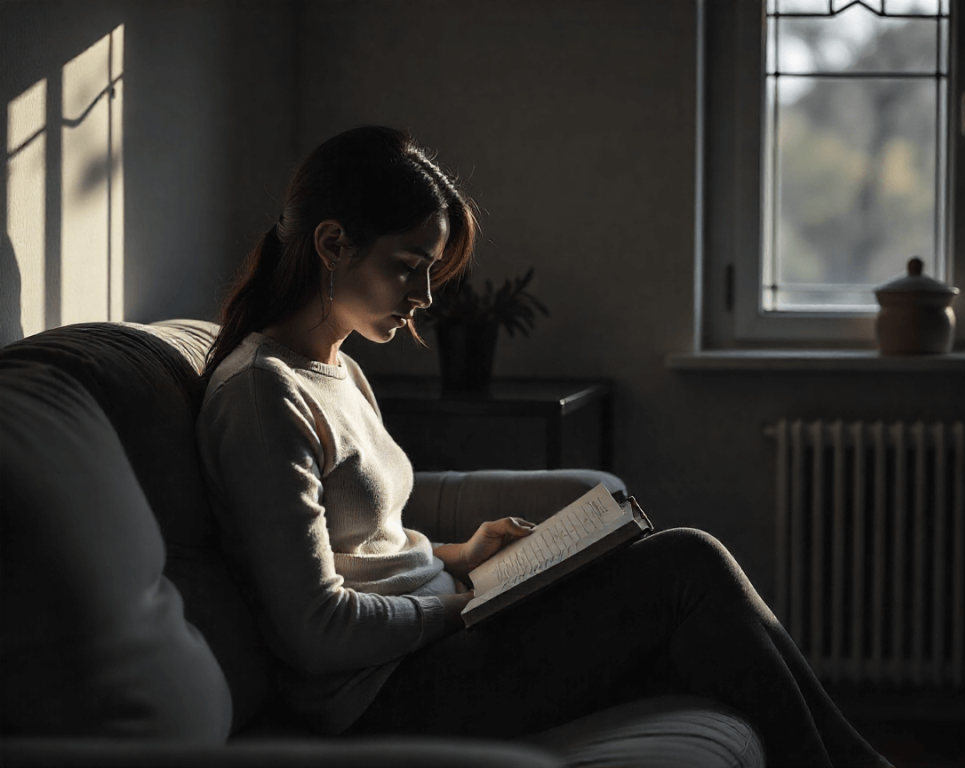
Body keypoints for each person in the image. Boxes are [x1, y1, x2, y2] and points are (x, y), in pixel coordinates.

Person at [196, 126, 892, 768]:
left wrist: (461, 558)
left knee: (697, 612)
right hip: (385, 696)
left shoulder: (338, 367)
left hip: (432, 645)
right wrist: (464, 604)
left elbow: (359, 549)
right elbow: (315, 631)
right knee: (688, 565)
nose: (425, 295)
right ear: (331, 244)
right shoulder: (262, 396)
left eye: (431, 270)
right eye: (409, 266)